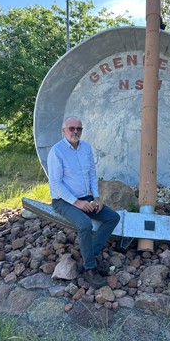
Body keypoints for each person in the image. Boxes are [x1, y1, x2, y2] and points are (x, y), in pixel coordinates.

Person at [47, 116, 120, 289]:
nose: (75, 132)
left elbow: (93, 175)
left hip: (86, 197)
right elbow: (55, 183)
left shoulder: (86, 148)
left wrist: (96, 198)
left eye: (78, 129)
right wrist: (77, 203)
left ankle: (90, 255)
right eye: (71, 128)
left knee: (113, 217)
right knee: (85, 224)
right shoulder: (56, 151)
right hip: (63, 200)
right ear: (64, 131)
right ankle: (89, 268)